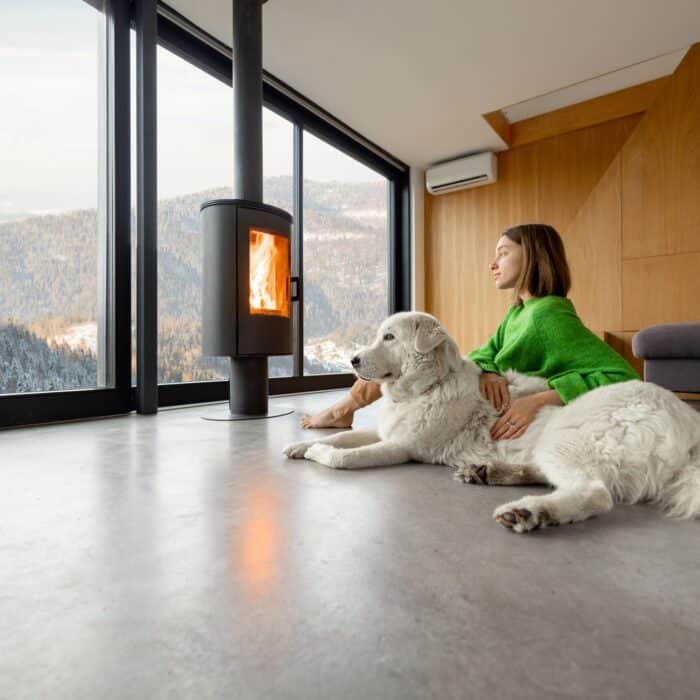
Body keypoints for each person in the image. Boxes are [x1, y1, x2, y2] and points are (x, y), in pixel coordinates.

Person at [300, 223, 639, 441]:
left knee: (412, 353)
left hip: (501, 404)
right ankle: (343, 410)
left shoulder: (549, 316)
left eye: (504, 253)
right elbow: (486, 353)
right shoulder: (520, 312)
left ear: (535, 257)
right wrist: (488, 371)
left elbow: (622, 378)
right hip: (482, 391)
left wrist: (541, 399)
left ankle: (341, 411)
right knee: (406, 353)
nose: (493, 264)